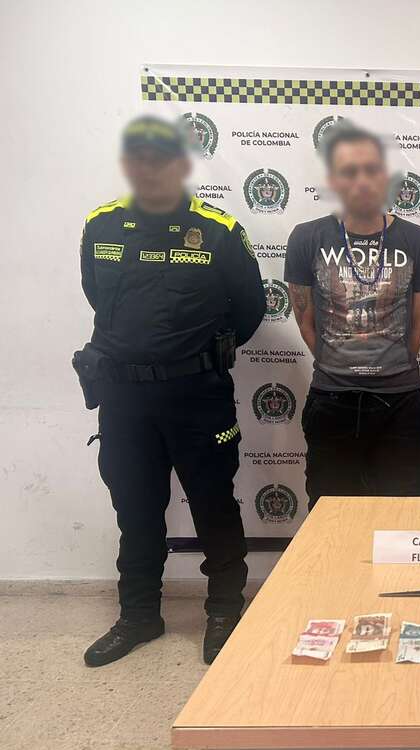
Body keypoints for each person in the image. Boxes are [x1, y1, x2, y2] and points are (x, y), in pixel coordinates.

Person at [76, 116, 265, 667]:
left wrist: (190, 356)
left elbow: (249, 310)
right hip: (124, 399)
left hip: (196, 395)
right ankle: (139, 615)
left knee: (213, 504)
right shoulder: (101, 226)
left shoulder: (218, 231)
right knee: (134, 508)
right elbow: (97, 297)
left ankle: (224, 610)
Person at [284, 125, 420, 507]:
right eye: (349, 172)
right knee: (331, 516)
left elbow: (418, 326)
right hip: (331, 398)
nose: (362, 181)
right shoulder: (306, 238)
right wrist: (340, 365)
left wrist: (388, 367)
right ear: (333, 181)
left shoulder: (418, 240)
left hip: (400, 400)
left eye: (371, 170)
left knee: (404, 516)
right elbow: (305, 322)